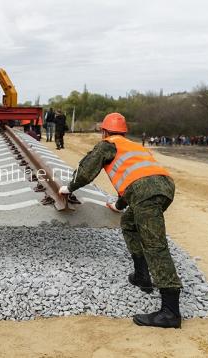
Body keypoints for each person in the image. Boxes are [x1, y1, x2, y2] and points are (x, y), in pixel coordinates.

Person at [59, 112, 182, 328]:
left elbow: (88, 170)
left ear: (104, 131)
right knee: (128, 223)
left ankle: (170, 312)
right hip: (163, 187)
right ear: (124, 131)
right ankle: (142, 276)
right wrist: (118, 206)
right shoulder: (134, 146)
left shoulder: (107, 144)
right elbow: (135, 177)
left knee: (156, 246)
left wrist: (69, 187)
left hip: (146, 193)